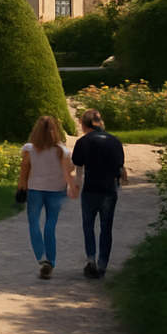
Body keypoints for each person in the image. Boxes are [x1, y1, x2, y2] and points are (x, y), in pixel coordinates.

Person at [18, 115, 80, 279]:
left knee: (33, 222)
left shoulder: (29, 149)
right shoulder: (62, 150)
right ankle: (51, 260)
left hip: (35, 189)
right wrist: (72, 187)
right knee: (50, 224)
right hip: (56, 190)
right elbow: (68, 172)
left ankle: (41, 257)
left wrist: (21, 188)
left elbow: (24, 170)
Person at [72, 108, 128, 279]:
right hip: (109, 189)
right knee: (106, 227)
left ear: (83, 124)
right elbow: (120, 166)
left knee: (88, 226)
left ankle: (91, 258)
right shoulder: (114, 141)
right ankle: (103, 264)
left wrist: (76, 186)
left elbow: (79, 169)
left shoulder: (83, 142)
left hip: (90, 188)